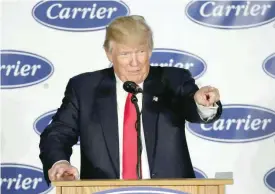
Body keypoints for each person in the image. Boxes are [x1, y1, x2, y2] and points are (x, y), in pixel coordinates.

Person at [39, 15, 222, 184]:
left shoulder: (173, 80)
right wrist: (59, 163)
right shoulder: (84, 88)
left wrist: (203, 103)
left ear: (149, 51)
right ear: (109, 54)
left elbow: (191, 107)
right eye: (125, 54)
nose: (135, 63)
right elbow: (57, 134)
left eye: (140, 52)